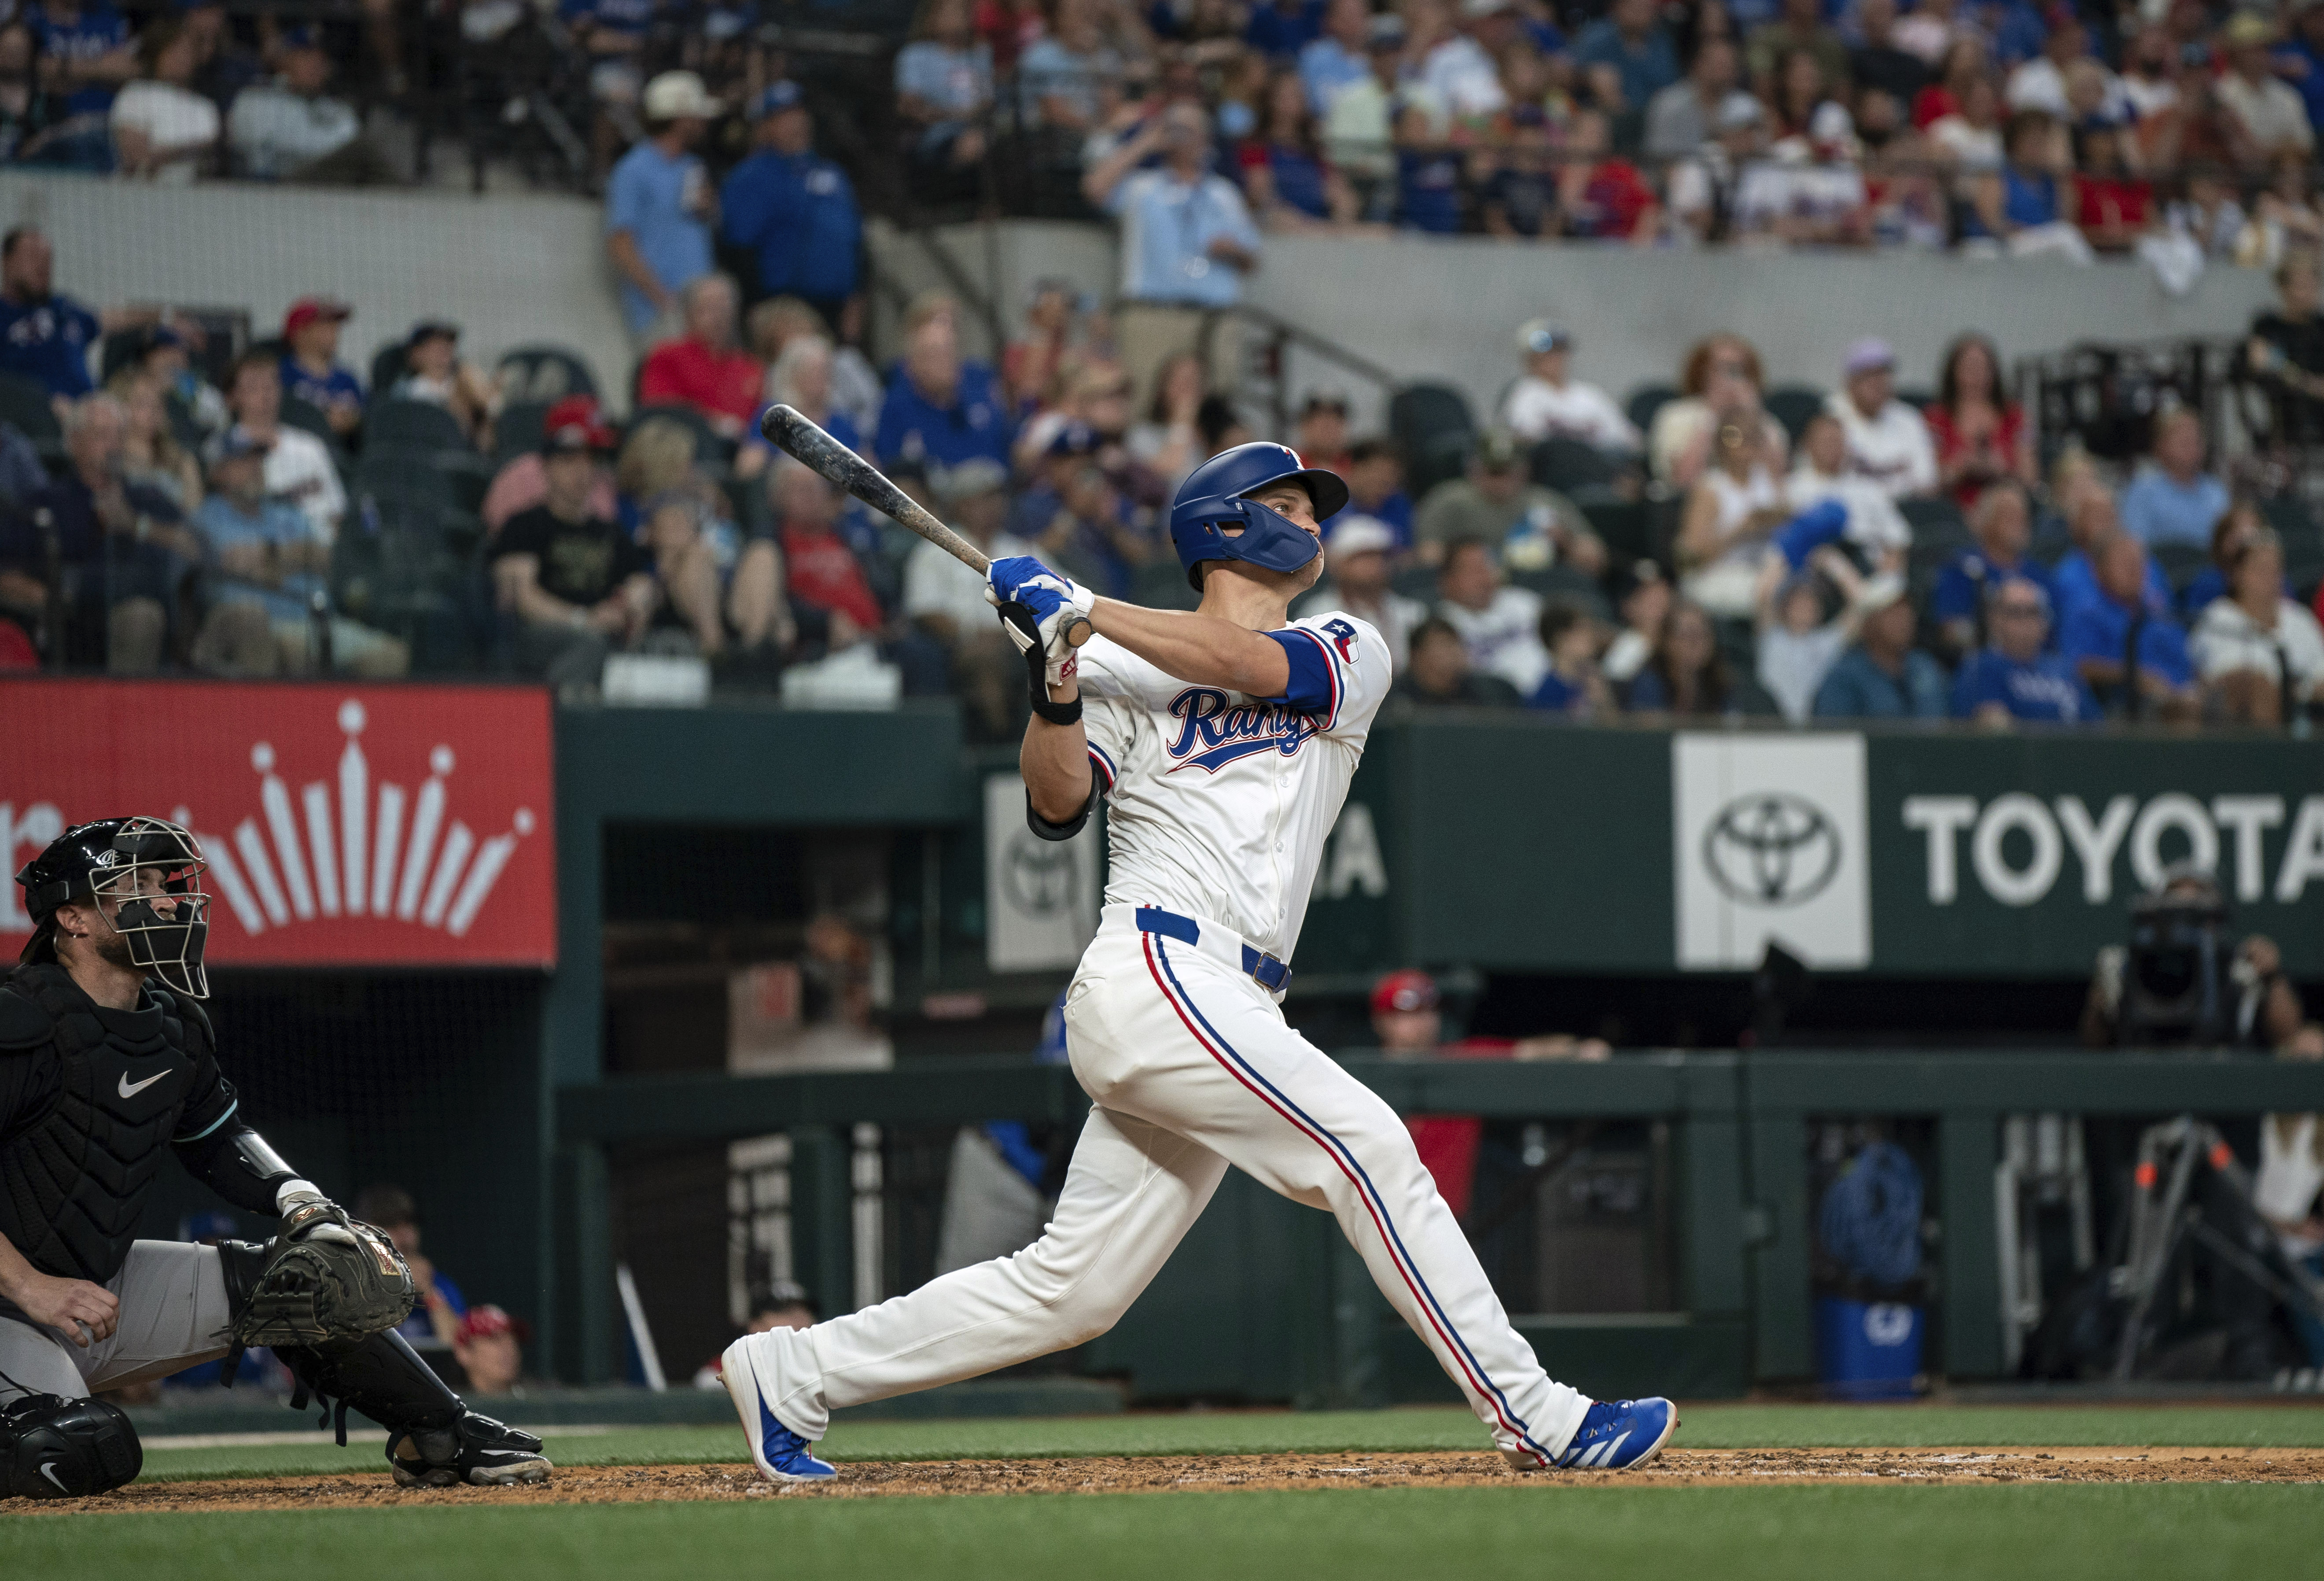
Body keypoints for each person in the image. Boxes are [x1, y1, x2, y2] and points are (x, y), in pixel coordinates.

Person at [716, 441, 1680, 1478]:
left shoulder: (1351, 644)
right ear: (1227, 524)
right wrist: (1055, 680)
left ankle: (795, 1372)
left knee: (1076, 1289)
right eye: (1291, 504)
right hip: (1156, 968)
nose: (1314, 523)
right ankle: (1534, 1413)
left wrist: (1080, 608)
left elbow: (1242, 664)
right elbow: (1055, 803)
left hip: (1233, 1001)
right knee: (1369, 1148)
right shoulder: (1119, 672)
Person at [0, 820, 550, 1493]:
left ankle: (439, 1431)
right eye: (134, 887)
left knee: (312, 1277)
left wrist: (299, 1196)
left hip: (92, 1291)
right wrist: (30, 1284)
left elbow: (218, 1137)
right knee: (79, 1450)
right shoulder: (19, 1022)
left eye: (164, 885)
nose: (167, 901)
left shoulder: (174, 1028)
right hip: (11, 1300)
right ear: (73, 917)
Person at [188, 428, 408, 677]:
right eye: (244, 461)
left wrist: (269, 555)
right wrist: (296, 559)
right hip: (262, 623)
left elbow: (327, 556)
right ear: (219, 472)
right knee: (296, 648)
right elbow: (232, 562)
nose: (255, 468)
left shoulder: (285, 513)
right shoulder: (208, 517)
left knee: (391, 655)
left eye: (258, 460)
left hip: (316, 619)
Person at [1082, 101, 1263, 403]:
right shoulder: (1143, 188)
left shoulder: (1224, 194)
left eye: (1191, 130)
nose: (1184, 138)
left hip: (1214, 317)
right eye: (1176, 129)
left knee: (1215, 404)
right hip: (1153, 312)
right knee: (1143, 397)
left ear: (1206, 138)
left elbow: (1252, 259)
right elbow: (1094, 188)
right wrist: (1144, 143)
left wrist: (1233, 251)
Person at [0, 393, 192, 671]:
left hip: (160, 618)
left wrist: (135, 524)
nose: (113, 446)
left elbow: (194, 548)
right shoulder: (47, 504)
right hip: (75, 628)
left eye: (119, 436)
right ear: (74, 443)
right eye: (101, 436)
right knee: (141, 616)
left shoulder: (147, 498)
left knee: (147, 614)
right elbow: (6, 575)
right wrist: (52, 598)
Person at [490, 411, 659, 688]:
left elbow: (640, 583)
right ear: (546, 466)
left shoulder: (612, 532)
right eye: (570, 460)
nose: (582, 471)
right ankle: (557, 720)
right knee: (591, 645)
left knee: (664, 648)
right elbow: (524, 600)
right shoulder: (524, 525)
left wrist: (631, 603)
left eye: (590, 460)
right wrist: (585, 620)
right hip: (541, 636)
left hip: (603, 634)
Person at [2081, 869, 2306, 1050]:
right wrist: (2101, 1002)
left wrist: (2273, 977)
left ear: (2216, 920)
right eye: (2174, 914)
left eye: (2196, 916)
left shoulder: (2237, 969)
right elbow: (2094, 1045)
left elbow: (2289, 1038)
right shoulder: (2126, 967)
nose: (2185, 927)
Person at [904, 456, 1037, 737]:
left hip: (1019, 640)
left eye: (998, 498)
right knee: (986, 662)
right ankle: (1001, 754)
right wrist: (970, 634)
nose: (994, 506)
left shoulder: (1017, 548)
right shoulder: (936, 548)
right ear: (961, 505)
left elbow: (1061, 590)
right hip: (961, 645)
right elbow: (925, 610)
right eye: (984, 499)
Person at [719, 82, 862, 326]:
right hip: (784, 306)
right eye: (783, 116)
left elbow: (854, 240)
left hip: (837, 305)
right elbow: (739, 249)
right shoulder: (750, 177)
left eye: (799, 113)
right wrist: (756, 305)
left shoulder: (831, 171)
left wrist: (857, 297)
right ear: (764, 127)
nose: (796, 122)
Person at [605, 71, 720, 344]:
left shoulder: (693, 166)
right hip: (661, 312)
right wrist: (661, 298)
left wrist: (708, 208)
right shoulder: (633, 169)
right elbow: (620, 243)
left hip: (702, 311)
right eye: (696, 116)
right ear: (678, 118)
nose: (703, 123)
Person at [224, 27, 398, 184]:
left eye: (321, 58)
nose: (316, 65)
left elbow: (344, 153)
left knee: (367, 151)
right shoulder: (257, 97)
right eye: (306, 56)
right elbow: (250, 150)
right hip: (275, 186)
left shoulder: (338, 109)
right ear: (284, 60)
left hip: (328, 191)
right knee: (364, 149)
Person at [1415, 431, 1603, 575]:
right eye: (1493, 472)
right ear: (1474, 469)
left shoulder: (1545, 501)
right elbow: (1428, 559)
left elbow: (1595, 560)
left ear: (1524, 471)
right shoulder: (1450, 501)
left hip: (1536, 583)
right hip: (1473, 585)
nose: (1501, 480)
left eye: (1508, 471)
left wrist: (1566, 542)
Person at [2190, 527, 2324, 726]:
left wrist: (2298, 692)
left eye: (2276, 570)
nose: (2270, 578)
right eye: (2260, 569)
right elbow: (2232, 679)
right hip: (2239, 731)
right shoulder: (2219, 618)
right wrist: (2299, 691)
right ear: (2237, 574)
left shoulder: (2300, 618)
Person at [2060, 529, 2199, 721]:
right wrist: (2134, 675)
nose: (2135, 569)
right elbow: (2077, 667)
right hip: (2126, 706)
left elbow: (2188, 660)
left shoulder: (2161, 613)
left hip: (2185, 695)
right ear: (2099, 570)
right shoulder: (2086, 613)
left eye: (2140, 562)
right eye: (2125, 562)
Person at [221, 352, 345, 545]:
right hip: (260, 554)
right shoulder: (222, 449)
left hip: (320, 553)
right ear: (232, 398)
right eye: (254, 387)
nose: (266, 395)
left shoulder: (310, 446)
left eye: (271, 385)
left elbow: (337, 513)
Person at [875, 304, 1013, 471]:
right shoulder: (896, 407)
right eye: (935, 356)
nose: (946, 363)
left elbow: (1008, 445)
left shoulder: (981, 393)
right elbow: (889, 467)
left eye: (950, 353)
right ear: (912, 366)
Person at [1676, 410, 1786, 619]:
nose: (1750, 448)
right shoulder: (1711, 488)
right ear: (1723, 446)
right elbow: (1691, 557)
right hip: (1719, 575)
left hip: (1764, 568)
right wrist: (1741, 530)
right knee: (1780, 595)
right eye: (1741, 440)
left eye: (1755, 439)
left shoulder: (1767, 478)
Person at [1929, 482, 2051, 664]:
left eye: (2023, 517)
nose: (2020, 524)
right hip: (1981, 666)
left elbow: (2054, 632)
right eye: (2010, 517)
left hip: (2039, 672)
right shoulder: (1961, 568)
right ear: (1987, 521)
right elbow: (1950, 631)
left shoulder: (2040, 576)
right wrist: (1997, 635)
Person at [1950, 576, 2097, 726]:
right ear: (1995, 620)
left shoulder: (2065, 669)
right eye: (2015, 612)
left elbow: (2098, 728)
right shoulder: (1983, 667)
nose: (2024, 621)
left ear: (2045, 622)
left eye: (2032, 612)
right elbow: (1994, 727)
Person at [0, 227, 123, 400]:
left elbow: (110, 318)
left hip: (90, 411)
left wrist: (165, 315)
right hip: (32, 416)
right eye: (33, 256)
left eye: (48, 259)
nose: (42, 265)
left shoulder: (63, 308)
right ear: (7, 261)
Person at [637, 274, 763, 441]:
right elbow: (660, 413)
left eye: (724, 307)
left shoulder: (751, 367)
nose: (719, 316)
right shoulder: (667, 356)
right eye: (709, 308)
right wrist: (713, 423)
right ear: (689, 315)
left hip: (742, 453)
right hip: (689, 448)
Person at [1295, 516, 1425, 671]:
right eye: (1362, 557)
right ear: (1340, 564)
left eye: (1379, 557)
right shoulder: (1317, 614)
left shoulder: (1412, 612)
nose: (1374, 565)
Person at [1808, 575, 1946, 719]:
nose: (1904, 618)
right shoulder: (1844, 678)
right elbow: (1836, 737)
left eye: (1907, 609)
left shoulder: (1924, 665)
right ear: (1869, 623)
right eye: (1892, 612)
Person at [1923, 333, 2034, 508]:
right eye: (1969, 367)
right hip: (1955, 507)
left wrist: (2002, 468)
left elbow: (2030, 478)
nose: (1976, 375)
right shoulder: (1935, 418)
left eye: (1983, 367)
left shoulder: (2015, 415)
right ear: (1953, 372)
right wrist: (1961, 467)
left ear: (1994, 372)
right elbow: (1926, 482)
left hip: (2008, 504)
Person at [354, 1185, 467, 1353]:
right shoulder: (351, 1283)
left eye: (410, 1224)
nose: (405, 1235)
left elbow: (461, 1352)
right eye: (391, 1225)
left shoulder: (439, 1285)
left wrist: (430, 1294)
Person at [1499, 320, 1640, 453]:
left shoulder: (1589, 395)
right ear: (1529, 359)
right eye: (1547, 354)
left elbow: (1627, 440)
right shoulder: (1524, 393)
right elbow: (1526, 440)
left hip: (1597, 470)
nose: (1554, 359)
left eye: (1558, 352)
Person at [1433, 535, 1550, 695]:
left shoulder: (1526, 603)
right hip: (1494, 710)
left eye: (1486, 566)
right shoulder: (1442, 623)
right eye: (1472, 570)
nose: (1483, 576)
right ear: (1448, 581)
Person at [108, 20, 219, 182]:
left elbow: (209, 160)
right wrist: (185, 152)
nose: (180, 58)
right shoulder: (135, 93)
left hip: (192, 197)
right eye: (173, 50)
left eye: (186, 51)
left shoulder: (206, 108)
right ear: (157, 53)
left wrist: (164, 154)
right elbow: (138, 158)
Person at [894, 0, 994, 178]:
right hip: (934, 138)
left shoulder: (980, 53)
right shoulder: (916, 55)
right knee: (976, 144)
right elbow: (909, 107)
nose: (954, 18)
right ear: (931, 17)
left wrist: (975, 116)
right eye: (947, 12)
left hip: (981, 131)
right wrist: (958, 115)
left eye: (960, 12)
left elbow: (988, 102)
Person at [1825, 337, 1934, 498]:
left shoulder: (1909, 418)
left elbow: (1927, 482)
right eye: (1869, 376)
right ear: (1850, 382)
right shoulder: (1829, 415)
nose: (1877, 383)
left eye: (1883, 375)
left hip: (1904, 509)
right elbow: (1822, 479)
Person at [1626, 598, 1766, 716]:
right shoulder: (1649, 683)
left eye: (1703, 633)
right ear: (1667, 641)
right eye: (1687, 634)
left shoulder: (1720, 683)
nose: (1696, 642)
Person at [2119, 408, 2231, 548]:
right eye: (2183, 438)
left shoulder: (2216, 491)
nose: (2192, 444)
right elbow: (2135, 549)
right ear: (2160, 445)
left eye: (2196, 438)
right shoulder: (2142, 492)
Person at [2245, 253, 2324, 446]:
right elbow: (2260, 360)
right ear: (2283, 287)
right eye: (2300, 285)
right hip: (2284, 429)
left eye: (2311, 285)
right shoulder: (2268, 325)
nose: (2306, 293)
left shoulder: (2321, 326)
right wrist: (2306, 382)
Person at [389, 321, 496, 448]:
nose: (444, 349)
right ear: (416, 353)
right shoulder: (404, 391)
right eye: (435, 345)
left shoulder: (466, 384)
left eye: (448, 345)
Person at [276, 297, 363, 441]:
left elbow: (367, 417)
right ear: (300, 332)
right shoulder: (280, 375)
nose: (334, 331)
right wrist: (321, 420)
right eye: (324, 325)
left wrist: (352, 420)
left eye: (335, 325)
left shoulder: (348, 379)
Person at [1391, 615, 1523, 707]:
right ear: (1416, 657)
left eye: (1454, 646)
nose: (1451, 657)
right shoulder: (1393, 698)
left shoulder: (1487, 693)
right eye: (1440, 648)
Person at [1573, 0, 1679, 114]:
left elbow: (1671, 86)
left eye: (1646, 8)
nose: (1639, 14)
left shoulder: (1661, 43)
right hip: (1606, 115)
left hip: (1653, 117)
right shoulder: (1597, 37)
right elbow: (1573, 73)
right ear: (1618, 8)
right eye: (1633, 8)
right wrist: (1592, 77)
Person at [1528, 600, 1612, 717]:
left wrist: (1604, 704)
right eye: (1582, 629)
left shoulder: (1595, 682)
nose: (1591, 635)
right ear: (1561, 638)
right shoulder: (1547, 694)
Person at [1341, 437, 1413, 549]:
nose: (1386, 480)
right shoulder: (1329, 504)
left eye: (1392, 474)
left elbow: (1409, 552)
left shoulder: (1399, 504)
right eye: (1378, 472)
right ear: (1356, 470)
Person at [451, 1306, 525, 1397]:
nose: (510, 1348)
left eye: (513, 1339)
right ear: (464, 1353)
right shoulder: (447, 1407)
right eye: (494, 1339)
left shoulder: (534, 1400)